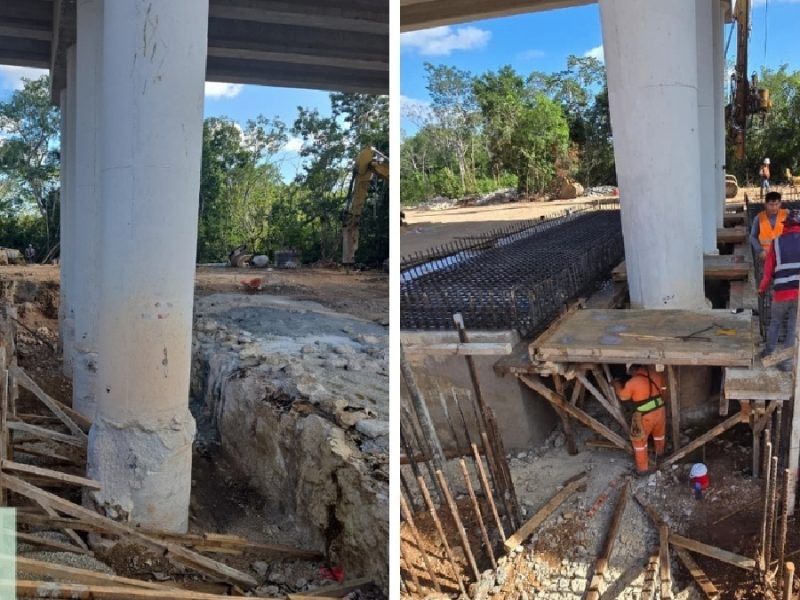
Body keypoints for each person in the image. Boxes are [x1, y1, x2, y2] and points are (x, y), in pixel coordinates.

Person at [758, 209, 800, 370]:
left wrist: (762, 289)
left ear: (786, 225)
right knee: (792, 326)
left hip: (781, 292)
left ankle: (769, 352)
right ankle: (787, 363)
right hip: (799, 292)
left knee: (775, 322)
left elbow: (768, 271)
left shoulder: (776, 242)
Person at [613, 364, 667, 475]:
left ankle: (642, 469)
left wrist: (616, 385)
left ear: (633, 371)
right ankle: (660, 454)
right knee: (659, 434)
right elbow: (664, 390)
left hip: (646, 416)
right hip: (660, 411)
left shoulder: (633, 382)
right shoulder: (656, 375)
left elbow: (623, 397)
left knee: (639, 442)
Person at [750, 191, 787, 261]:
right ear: (765, 204)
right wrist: (760, 251)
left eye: (776, 204)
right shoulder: (759, 218)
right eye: (771, 205)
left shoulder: (786, 215)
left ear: (780, 204)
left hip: (783, 254)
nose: (774, 207)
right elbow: (753, 236)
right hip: (766, 256)